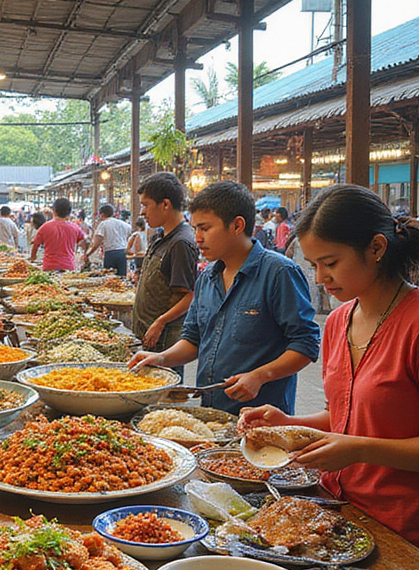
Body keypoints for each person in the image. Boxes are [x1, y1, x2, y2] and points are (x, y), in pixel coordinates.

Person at [240, 185, 419, 561]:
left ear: (377, 248)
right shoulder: (338, 321)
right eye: (314, 265)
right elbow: (345, 417)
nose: (321, 277)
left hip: (406, 531)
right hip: (337, 513)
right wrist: (288, 425)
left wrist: (359, 449)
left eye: (331, 263)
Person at [129, 180, 320, 414]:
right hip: (212, 412)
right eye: (195, 228)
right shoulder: (207, 277)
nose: (197, 238)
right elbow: (193, 339)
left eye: (205, 228)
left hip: (261, 416)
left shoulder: (279, 273)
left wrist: (260, 376)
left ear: (237, 225)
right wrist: (161, 359)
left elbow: (306, 344)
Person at [130, 173, 198, 358]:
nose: (142, 212)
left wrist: (160, 322)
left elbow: (189, 295)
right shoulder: (160, 236)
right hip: (148, 333)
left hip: (163, 338)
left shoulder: (181, 243)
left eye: (146, 205)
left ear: (165, 204)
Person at [31, 197, 87, 271]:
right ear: (69, 212)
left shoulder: (45, 227)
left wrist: (33, 257)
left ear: (54, 211)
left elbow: (36, 244)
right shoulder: (75, 228)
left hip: (49, 266)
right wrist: (85, 254)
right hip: (68, 266)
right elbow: (84, 243)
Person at [84, 203, 129, 276]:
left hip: (110, 253)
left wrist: (88, 254)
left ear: (102, 214)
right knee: (122, 277)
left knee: (109, 277)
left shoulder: (103, 224)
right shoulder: (123, 224)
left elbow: (97, 243)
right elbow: (130, 234)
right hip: (122, 253)